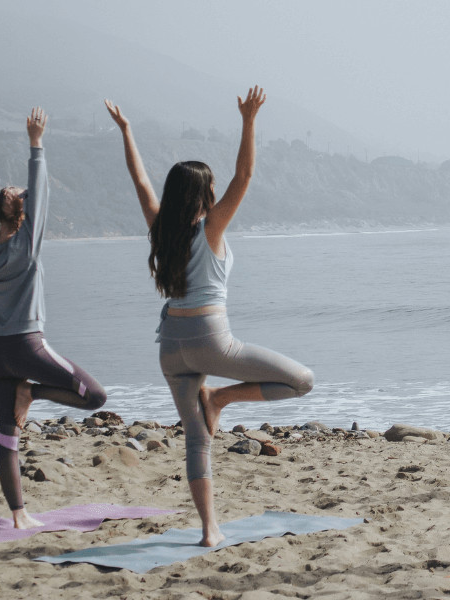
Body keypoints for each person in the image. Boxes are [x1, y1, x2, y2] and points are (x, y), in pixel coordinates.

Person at [105, 88, 315, 548]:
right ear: (204, 193)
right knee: (302, 381)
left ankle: (209, 530)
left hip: (169, 349)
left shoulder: (161, 228)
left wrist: (126, 131)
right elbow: (246, 174)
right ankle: (220, 397)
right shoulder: (211, 226)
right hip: (210, 340)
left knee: (196, 442)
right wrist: (248, 120)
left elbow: (140, 182)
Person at [0, 109, 108, 529]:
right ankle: (33, 394)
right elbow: (41, 190)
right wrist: (36, 143)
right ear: (24, 218)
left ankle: (19, 515)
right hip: (29, 348)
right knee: (95, 397)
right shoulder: (28, 245)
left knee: (7, 438)